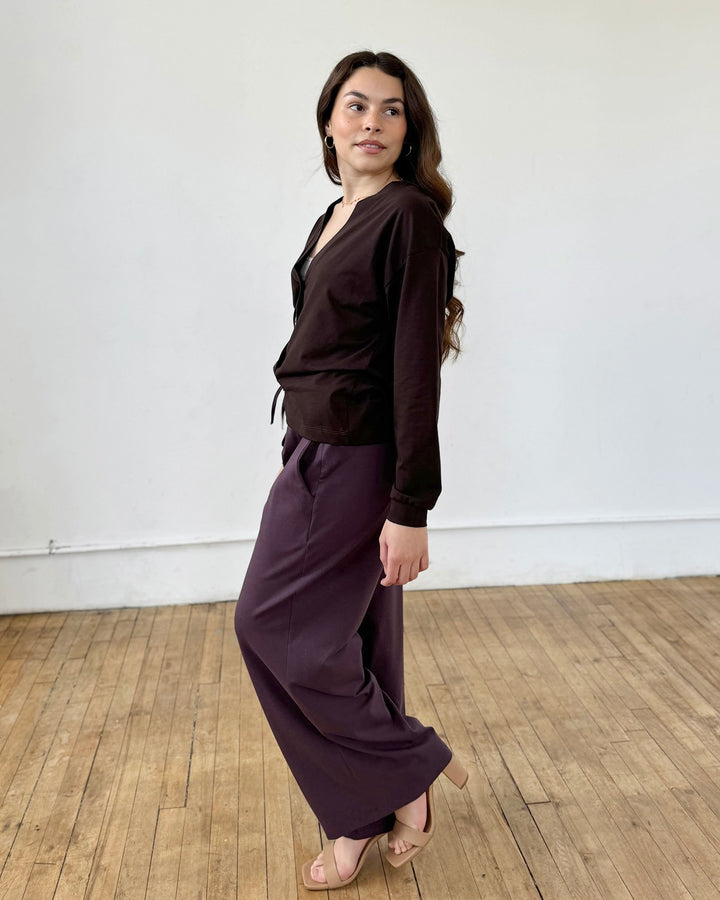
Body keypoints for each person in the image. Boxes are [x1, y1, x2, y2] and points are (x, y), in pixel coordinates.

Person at [235, 50, 467, 891]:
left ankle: (407, 769)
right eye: (357, 105)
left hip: (354, 458)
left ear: (410, 130)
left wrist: (410, 507)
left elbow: (415, 373)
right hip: (313, 445)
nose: (373, 121)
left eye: (391, 109)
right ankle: (367, 811)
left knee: (268, 627)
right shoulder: (337, 214)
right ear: (330, 122)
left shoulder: (407, 218)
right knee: (359, 640)